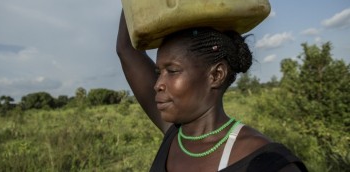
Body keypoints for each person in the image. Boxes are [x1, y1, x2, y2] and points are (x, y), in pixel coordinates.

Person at [116, 10, 307, 172]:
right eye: (159, 73)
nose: (157, 84)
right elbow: (126, 49)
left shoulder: (268, 163)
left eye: (172, 71)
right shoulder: (175, 134)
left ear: (216, 74)